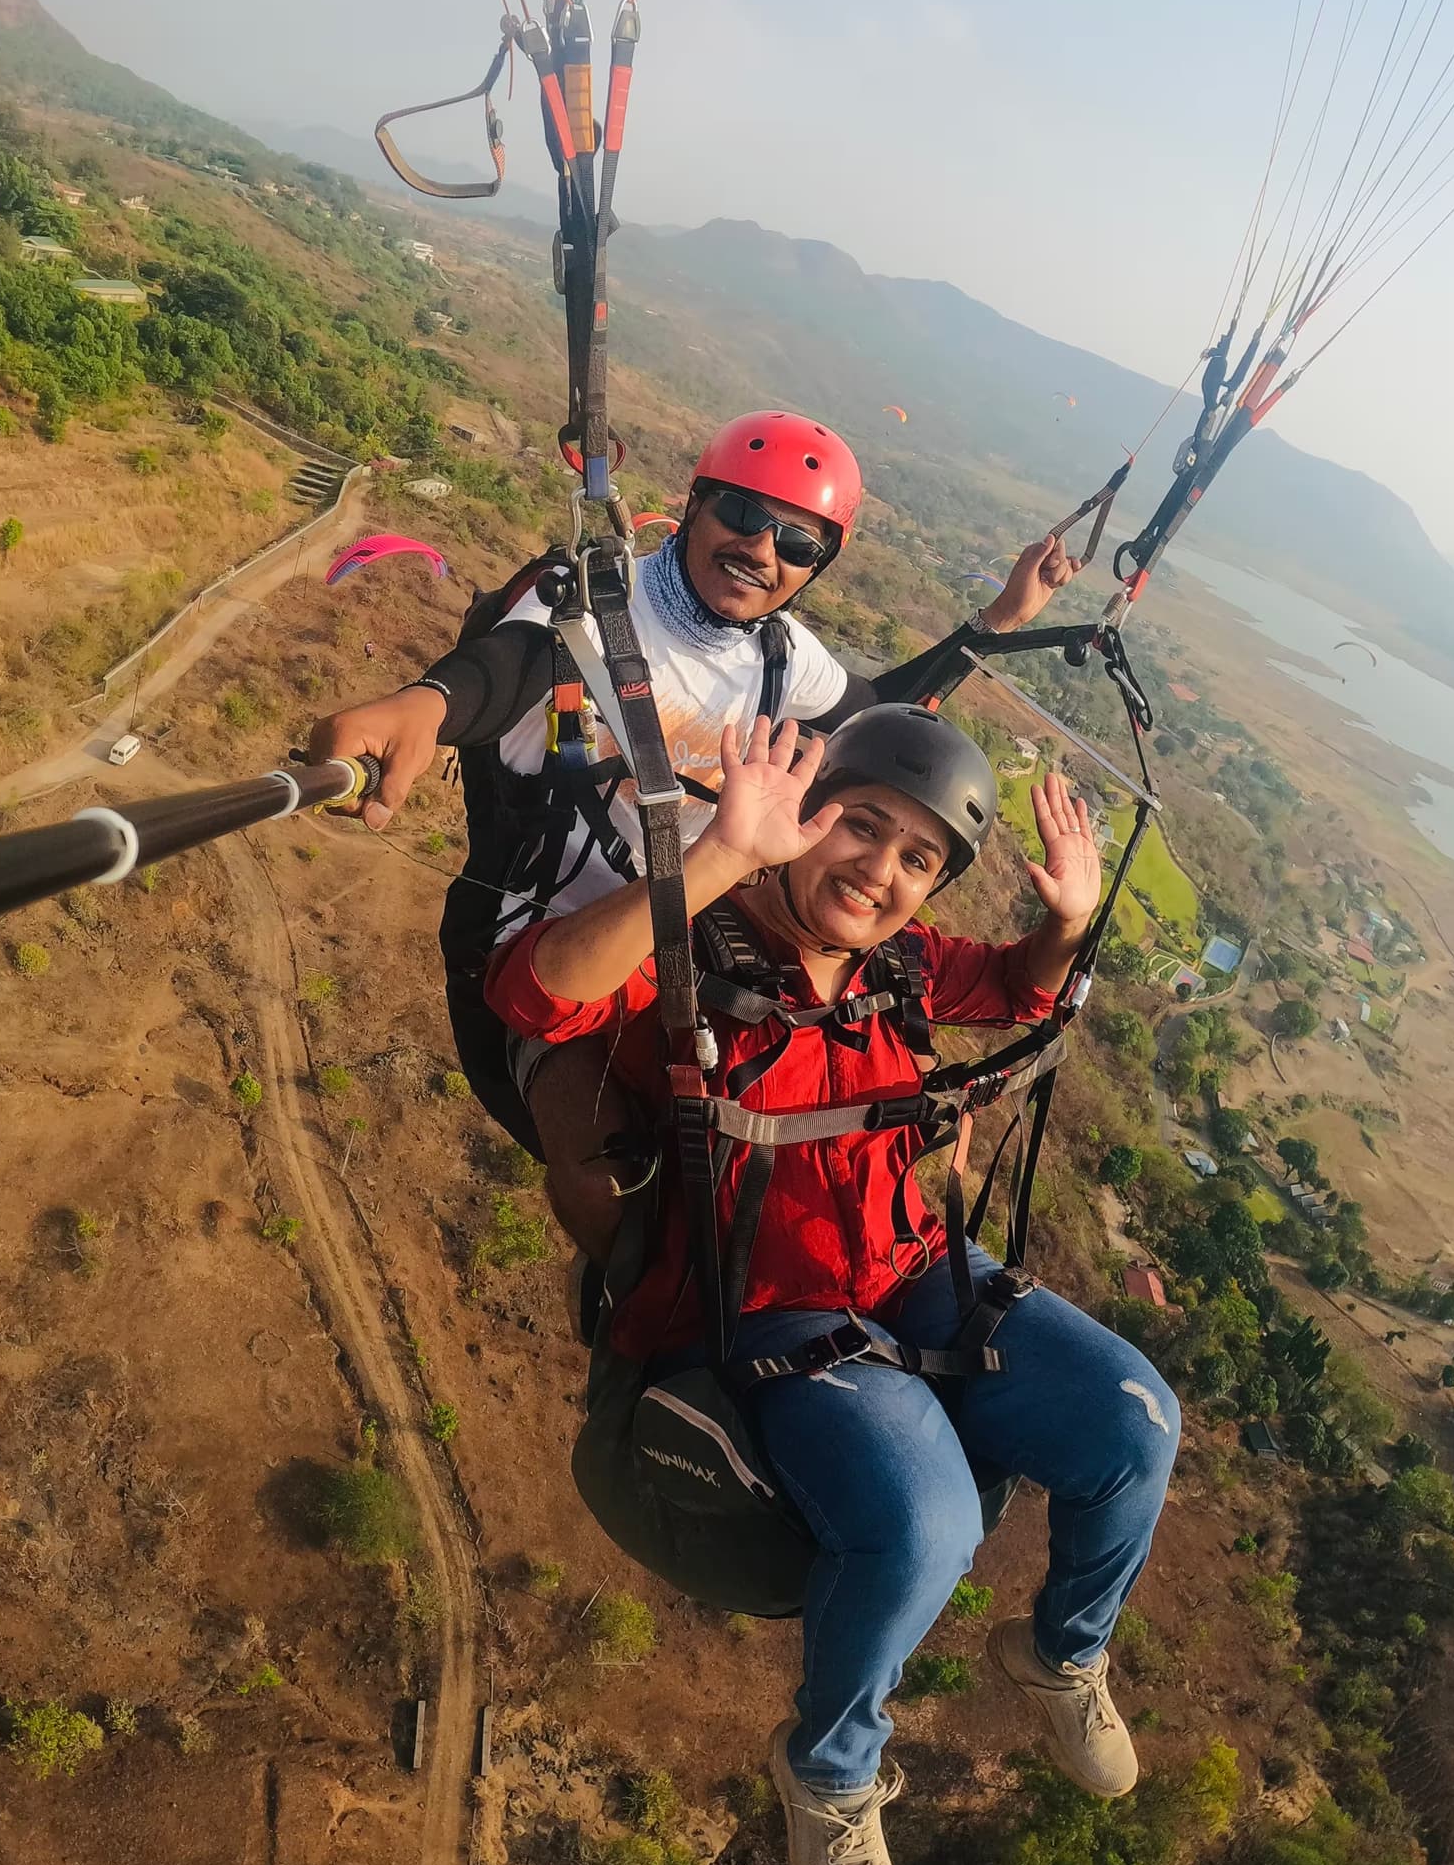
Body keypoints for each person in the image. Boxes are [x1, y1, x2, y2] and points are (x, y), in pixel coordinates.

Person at [484, 705, 1182, 1865]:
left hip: (913, 1266)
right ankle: (829, 1765)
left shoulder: (894, 969)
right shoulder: (688, 946)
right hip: (763, 1308)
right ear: (804, 816)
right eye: (861, 828)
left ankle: (1062, 1649)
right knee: (927, 1523)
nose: (880, 870)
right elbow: (535, 996)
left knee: (1135, 1421)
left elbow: (1017, 982)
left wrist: (1066, 919)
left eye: (916, 858)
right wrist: (715, 856)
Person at [309, 411, 1085, 1242]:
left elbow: (886, 719)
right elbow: (510, 664)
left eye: (797, 543)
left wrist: (1000, 618)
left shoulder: (783, 657)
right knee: (617, 1176)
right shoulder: (594, 593)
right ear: (696, 503)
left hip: (695, 937)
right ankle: (647, 1340)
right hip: (555, 947)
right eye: (745, 515)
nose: (762, 550)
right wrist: (427, 704)